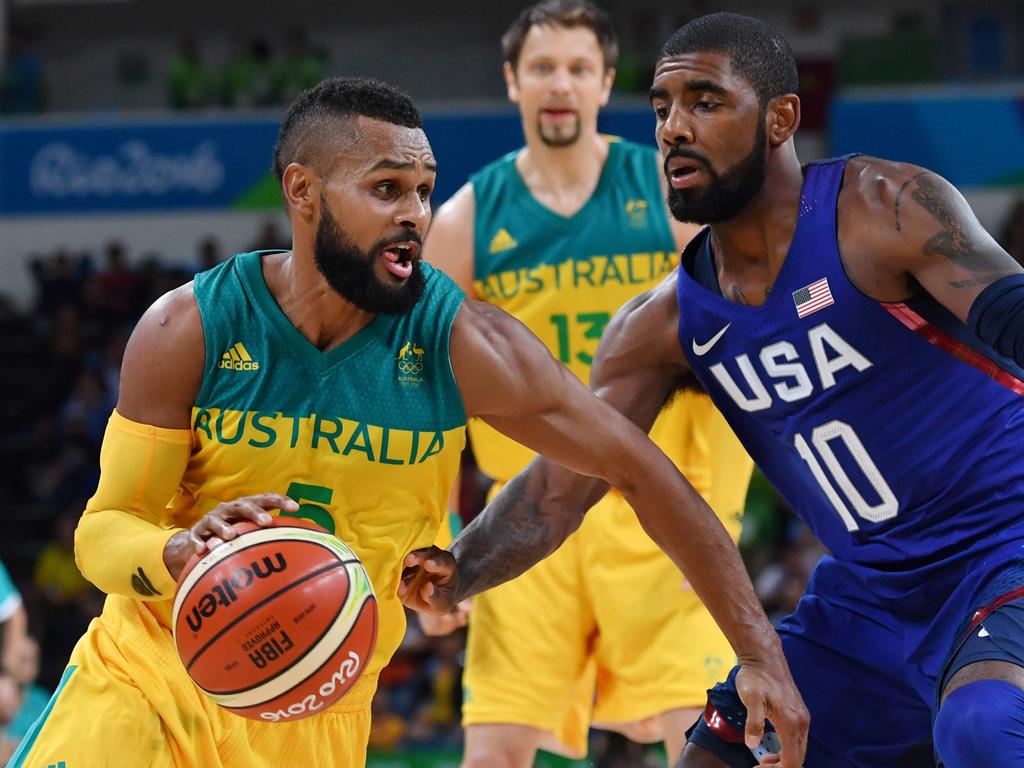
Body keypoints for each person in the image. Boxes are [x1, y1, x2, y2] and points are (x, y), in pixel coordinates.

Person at [9, 77, 804, 768]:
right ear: (303, 191)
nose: (416, 214)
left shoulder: (461, 342)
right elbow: (103, 530)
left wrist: (757, 652)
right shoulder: (189, 328)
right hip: (143, 688)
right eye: (387, 189)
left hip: (318, 718)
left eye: (424, 190)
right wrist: (176, 551)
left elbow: (634, 468)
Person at [403, 11, 1024, 768]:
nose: (673, 127)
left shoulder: (879, 209)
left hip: (1003, 549)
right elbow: (559, 491)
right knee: (720, 755)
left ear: (779, 119)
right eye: (662, 107)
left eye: (705, 101)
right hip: (872, 596)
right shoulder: (660, 327)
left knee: (983, 730)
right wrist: (460, 569)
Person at [423, 2, 753, 764]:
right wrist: (434, 530)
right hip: (526, 520)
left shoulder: (673, 199)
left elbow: (736, 352)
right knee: (493, 750)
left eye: (578, 68)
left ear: (606, 84)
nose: (560, 84)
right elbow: (426, 388)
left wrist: (727, 511)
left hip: (658, 513)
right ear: (513, 82)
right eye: (542, 67)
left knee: (704, 739)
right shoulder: (467, 219)